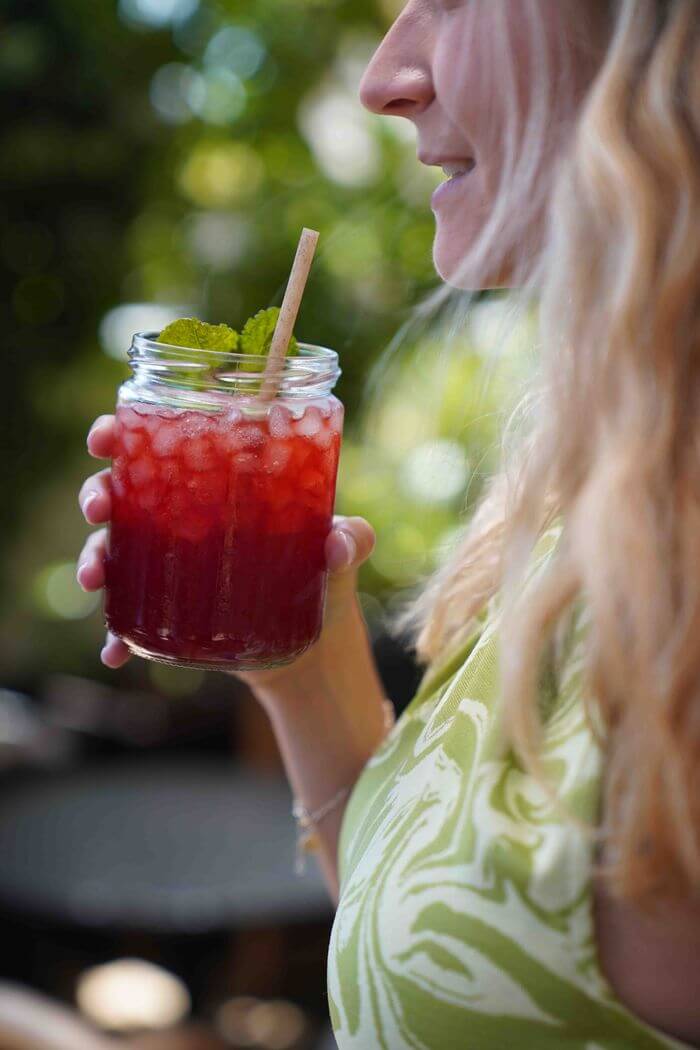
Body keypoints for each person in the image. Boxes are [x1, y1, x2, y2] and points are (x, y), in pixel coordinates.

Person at [76, 1, 700, 1047]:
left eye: (450, 0)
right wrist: (304, 673)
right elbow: (445, 951)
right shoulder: (593, 506)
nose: (384, 78)